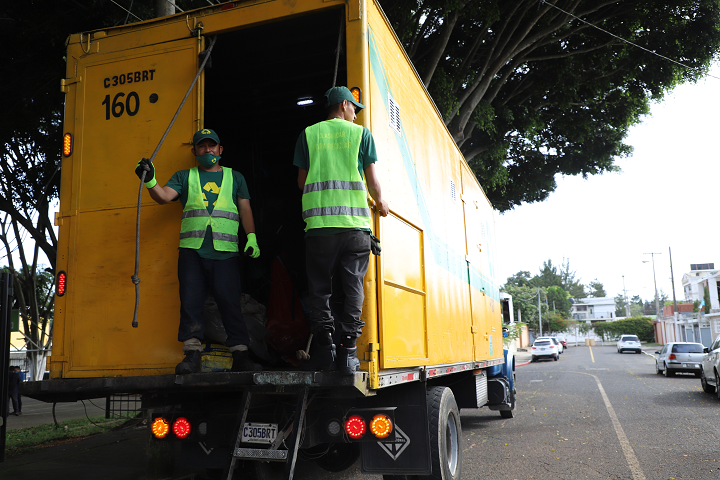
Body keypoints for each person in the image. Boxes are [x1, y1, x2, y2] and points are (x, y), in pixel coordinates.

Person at [135, 128, 262, 374]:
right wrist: (149, 179)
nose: (208, 150)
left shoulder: (235, 177)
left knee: (230, 304)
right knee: (191, 303)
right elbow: (162, 196)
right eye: (202, 147)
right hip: (192, 252)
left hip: (225, 252)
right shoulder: (185, 176)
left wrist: (252, 237)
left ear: (220, 150)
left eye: (212, 146)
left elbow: (245, 209)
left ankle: (241, 355)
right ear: (194, 152)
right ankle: (192, 354)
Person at [294, 86, 389, 375]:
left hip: (320, 229)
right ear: (345, 105)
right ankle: (348, 353)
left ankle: (325, 349)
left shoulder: (308, 134)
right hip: (355, 228)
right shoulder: (361, 134)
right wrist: (381, 202)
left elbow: (301, 183)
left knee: (320, 290)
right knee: (352, 288)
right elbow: (373, 182)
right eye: (355, 108)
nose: (356, 113)